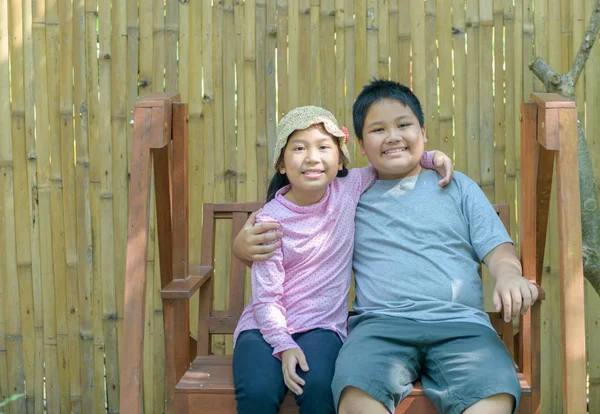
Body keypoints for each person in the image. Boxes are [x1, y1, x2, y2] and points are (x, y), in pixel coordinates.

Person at [233, 80, 539, 414]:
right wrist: (240, 246)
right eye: (379, 129)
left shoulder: (457, 186)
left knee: (491, 400)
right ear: (361, 145)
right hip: (379, 329)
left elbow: (498, 248)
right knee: (356, 399)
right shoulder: (350, 194)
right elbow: (296, 221)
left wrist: (509, 276)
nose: (393, 137)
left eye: (404, 126)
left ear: (423, 132)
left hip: (461, 328)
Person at [232, 105, 454, 414]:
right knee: (257, 392)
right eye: (299, 148)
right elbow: (266, 297)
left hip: (322, 327)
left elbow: (387, 164)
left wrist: (431, 157)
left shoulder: (347, 189)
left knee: (321, 388)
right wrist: (284, 345)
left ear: (340, 160)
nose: (312, 157)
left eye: (323, 147)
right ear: (282, 164)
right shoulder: (269, 222)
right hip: (264, 328)